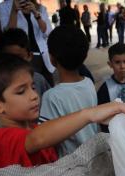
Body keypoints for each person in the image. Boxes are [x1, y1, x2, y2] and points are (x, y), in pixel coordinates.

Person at [0, 53, 125, 168]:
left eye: (33, 87)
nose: (34, 95)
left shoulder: (31, 127)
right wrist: (90, 114)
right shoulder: (6, 139)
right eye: (21, 91)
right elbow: (37, 139)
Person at [39, 26, 98, 156]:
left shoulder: (51, 97)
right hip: (94, 153)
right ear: (85, 55)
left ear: (52, 58)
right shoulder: (88, 82)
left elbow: (44, 138)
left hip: (71, 164)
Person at [0, 0, 55, 86]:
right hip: (23, 56)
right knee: (33, 86)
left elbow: (46, 31)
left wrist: (36, 14)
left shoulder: (40, 7)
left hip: (43, 55)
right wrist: (14, 12)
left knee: (49, 85)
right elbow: (7, 34)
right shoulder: (4, 7)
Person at [97, 43, 125, 132]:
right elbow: (101, 115)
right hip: (114, 131)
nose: (122, 66)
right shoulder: (105, 88)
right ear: (110, 64)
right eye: (117, 62)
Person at [0, 28, 50, 98]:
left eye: (19, 58)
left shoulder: (39, 80)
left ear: (29, 56)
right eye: (9, 59)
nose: (14, 63)